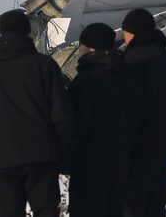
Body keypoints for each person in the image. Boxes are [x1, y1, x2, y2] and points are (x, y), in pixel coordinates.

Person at [0, 10, 73, 217]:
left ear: (0, 32)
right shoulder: (45, 65)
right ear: (28, 31)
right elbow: (62, 114)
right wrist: (55, 147)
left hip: (3, 160)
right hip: (41, 158)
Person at [120, 8, 166, 217]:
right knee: (155, 207)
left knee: (130, 207)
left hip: (133, 152)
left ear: (131, 32)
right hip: (162, 151)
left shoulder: (130, 62)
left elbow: (126, 110)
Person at [66, 23, 138, 217]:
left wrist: (65, 156)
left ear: (89, 47)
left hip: (88, 165)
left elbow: (77, 125)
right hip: (123, 163)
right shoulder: (130, 78)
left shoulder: (86, 81)